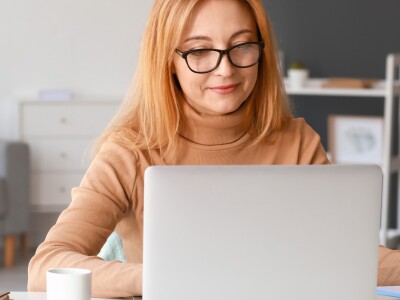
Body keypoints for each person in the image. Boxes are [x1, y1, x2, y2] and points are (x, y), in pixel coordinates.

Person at [27, 0, 400, 298]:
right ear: (168, 61)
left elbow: (353, 260)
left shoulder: (298, 142)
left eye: (240, 46)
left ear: (262, 51)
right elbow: (45, 267)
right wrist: (161, 278)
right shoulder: (130, 151)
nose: (225, 69)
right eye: (200, 51)